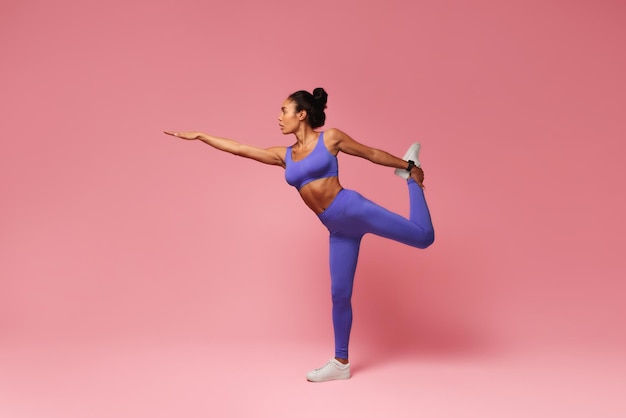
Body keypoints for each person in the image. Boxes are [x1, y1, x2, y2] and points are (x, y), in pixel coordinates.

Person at [164, 87, 434, 382]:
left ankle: (411, 177)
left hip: (353, 208)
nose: (279, 117)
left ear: (301, 114)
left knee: (423, 237)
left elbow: (370, 153)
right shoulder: (285, 156)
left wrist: (406, 165)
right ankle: (341, 363)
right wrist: (202, 136)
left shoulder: (330, 138)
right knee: (339, 294)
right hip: (337, 228)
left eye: (284, 111)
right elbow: (240, 148)